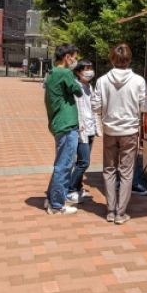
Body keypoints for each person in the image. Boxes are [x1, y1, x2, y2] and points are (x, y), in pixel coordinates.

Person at [92, 43, 147, 224]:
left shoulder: (102, 80)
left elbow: (95, 106)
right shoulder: (138, 81)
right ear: (129, 59)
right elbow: (145, 106)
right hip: (130, 131)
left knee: (109, 170)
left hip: (110, 130)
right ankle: (120, 213)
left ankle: (110, 210)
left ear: (112, 59)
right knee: (126, 171)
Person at [43, 44, 82, 215]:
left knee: (61, 163)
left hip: (58, 123)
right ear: (67, 57)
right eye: (74, 57)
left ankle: (52, 198)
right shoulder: (65, 73)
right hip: (67, 124)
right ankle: (57, 205)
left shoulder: (51, 73)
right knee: (64, 165)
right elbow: (79, 91)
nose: (75, 61)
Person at [66, 60, 101, 203]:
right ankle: (70, 189)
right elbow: (76, 109)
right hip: (82, 129)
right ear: (78, 72)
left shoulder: (90, 87)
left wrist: (97, 127)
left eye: (91, 68)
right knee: (84, 162)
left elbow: (93, 108)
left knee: (81, 161)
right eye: (86, 69)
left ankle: (78, 187)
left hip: (91, 128)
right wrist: (79, 126)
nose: (89, 71)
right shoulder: (76, 87)